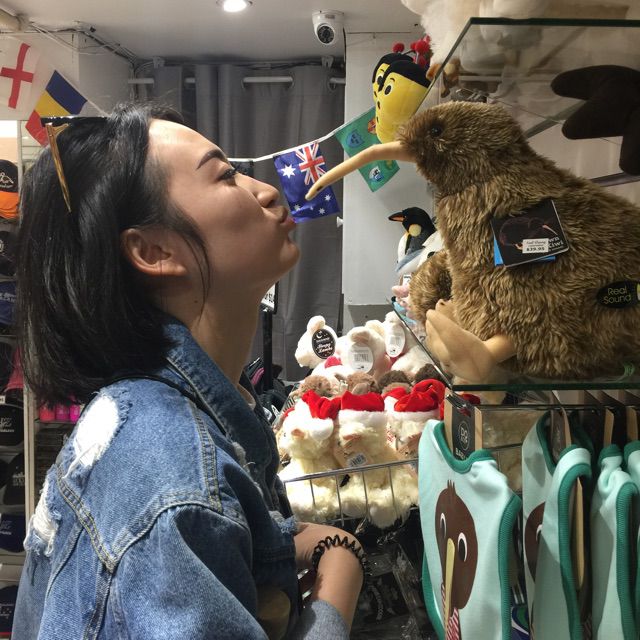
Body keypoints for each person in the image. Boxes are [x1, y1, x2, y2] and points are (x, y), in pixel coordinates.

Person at [12, 104, 364, 639]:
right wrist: (342, 572)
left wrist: (279, 536)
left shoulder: (141, 416)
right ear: (155, 250)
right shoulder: (172, 470)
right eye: (226, 176)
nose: (268, 192)